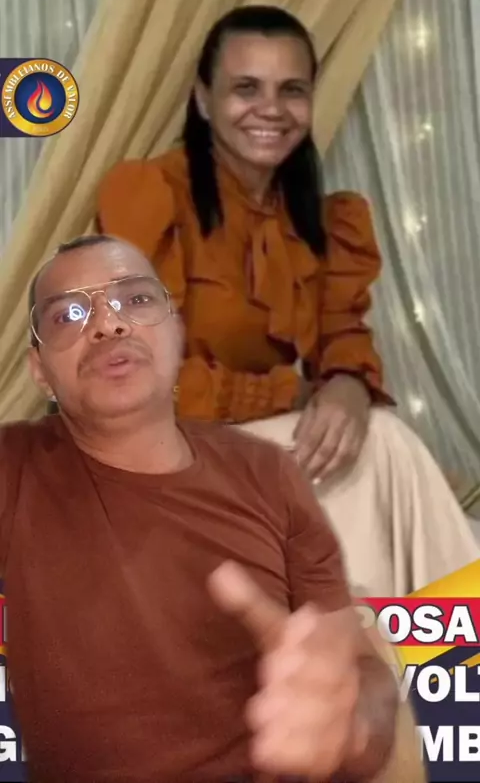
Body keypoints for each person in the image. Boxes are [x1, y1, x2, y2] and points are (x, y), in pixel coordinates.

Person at [0, 233, 421, 783]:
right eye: (69, 315)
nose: (108, 323)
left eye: (135, 299)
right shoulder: (14, 469)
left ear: (176, 330)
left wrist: (353, 718)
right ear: (39, 370)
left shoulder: (268, 471)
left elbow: (354, 662)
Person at [96, 4, 479, 598]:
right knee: (384, 452)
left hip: (252, 446)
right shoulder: (151, 196)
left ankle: (411, 633)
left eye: (291, 90)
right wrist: (293, 394)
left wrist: (348, 386)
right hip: (156, 455)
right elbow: (137, 383)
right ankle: (437, 633)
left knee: (374, 443)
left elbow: (342, 336)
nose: (271, 109)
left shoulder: (321, 219)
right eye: (246, 88)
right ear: (203, 99)